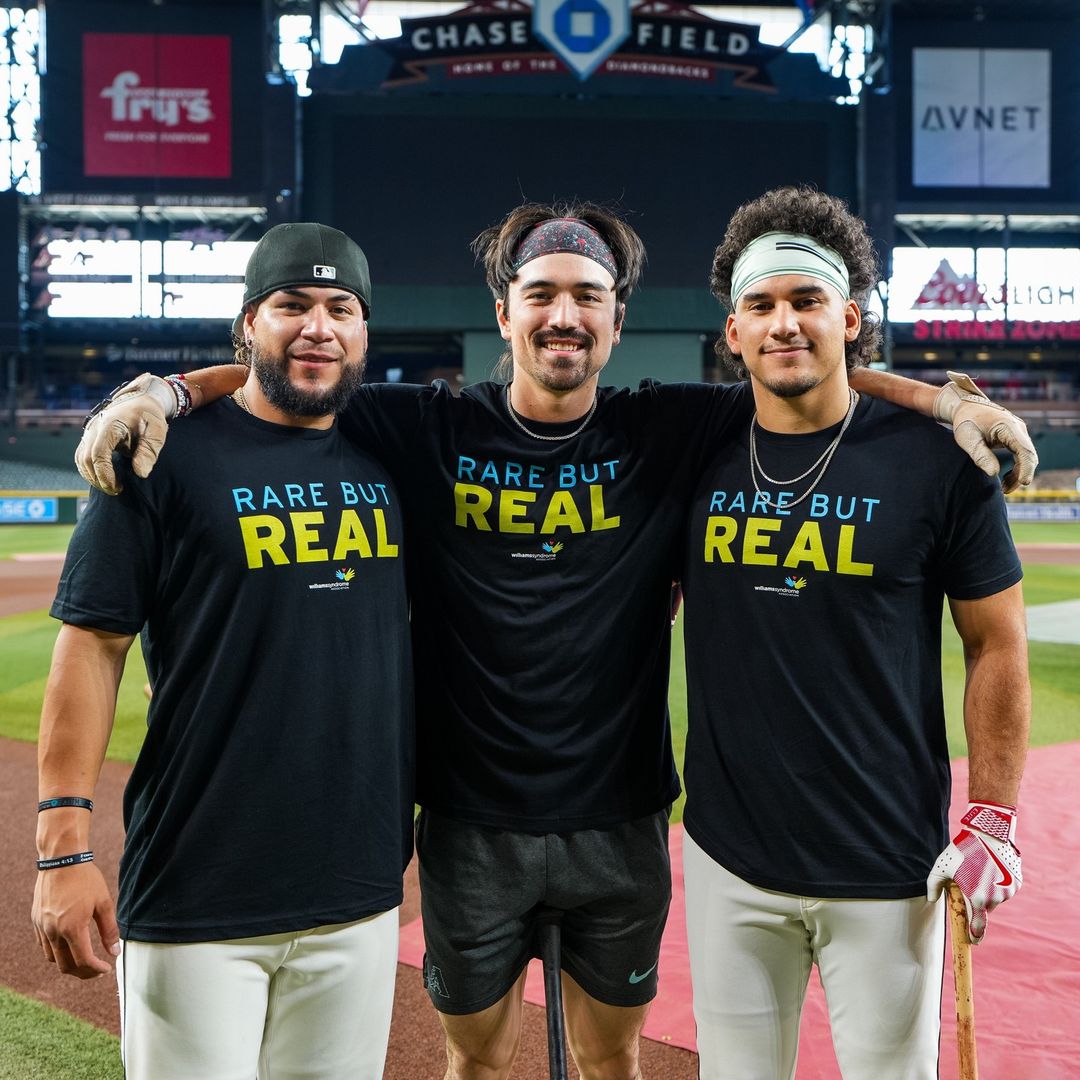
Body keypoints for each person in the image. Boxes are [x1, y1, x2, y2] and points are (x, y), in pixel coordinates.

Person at [71, 201, 1036, 1080]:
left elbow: (808, 370)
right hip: (468, 821)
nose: (563, 316)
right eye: (540, 294)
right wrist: (166, 391)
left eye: (587, 296)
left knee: (615, 1061)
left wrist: (946, 401)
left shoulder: (671, 428)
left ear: (617, 318)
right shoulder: (421, 428)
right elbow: (293, 370)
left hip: (621, 821)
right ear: (506, 314)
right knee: (477, 1062)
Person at [32, 223, 414, 1080]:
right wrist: (63, 847)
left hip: (357, 890)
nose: (317, 327)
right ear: (249, 323)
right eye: (292, 306)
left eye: (339, 309)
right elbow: (92, 646)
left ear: (362, 333)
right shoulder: (157, 455)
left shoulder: (396, 453)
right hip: (199, 884)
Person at [679, 187, 1030, 1080]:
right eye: (761, 305)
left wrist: (994, 818)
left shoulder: (940, 463)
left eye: (806, 301)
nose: (783, 323)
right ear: (732, 330)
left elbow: (997, 642)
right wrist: (939, 394)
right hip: (729, 859)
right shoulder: (690, 445)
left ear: (851, 315)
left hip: (887, 865)